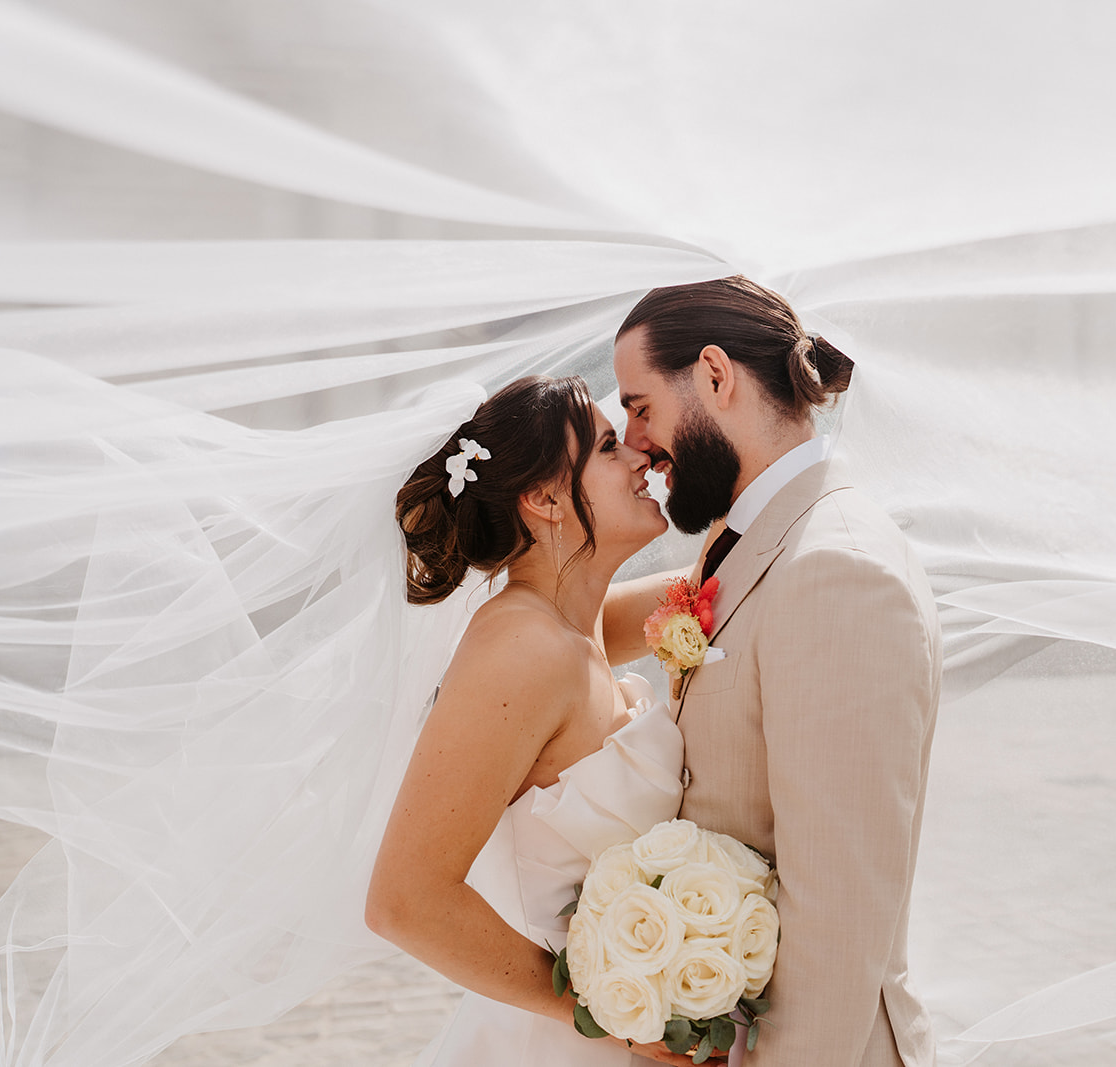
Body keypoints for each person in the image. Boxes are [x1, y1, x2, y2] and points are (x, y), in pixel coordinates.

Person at [609, 276, 943, 1067]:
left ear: (717, 376)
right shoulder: (750, 538)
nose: (632, 441)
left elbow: (839, 915)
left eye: (640, 405)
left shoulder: (836, 571)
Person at [364, 374, 700, 1067]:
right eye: (611, 446)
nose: (642, 457)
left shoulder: (576, 630)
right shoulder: (521, 647)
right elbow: (404, 899)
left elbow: (716, 586)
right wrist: (598, 1011)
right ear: (545, 498)